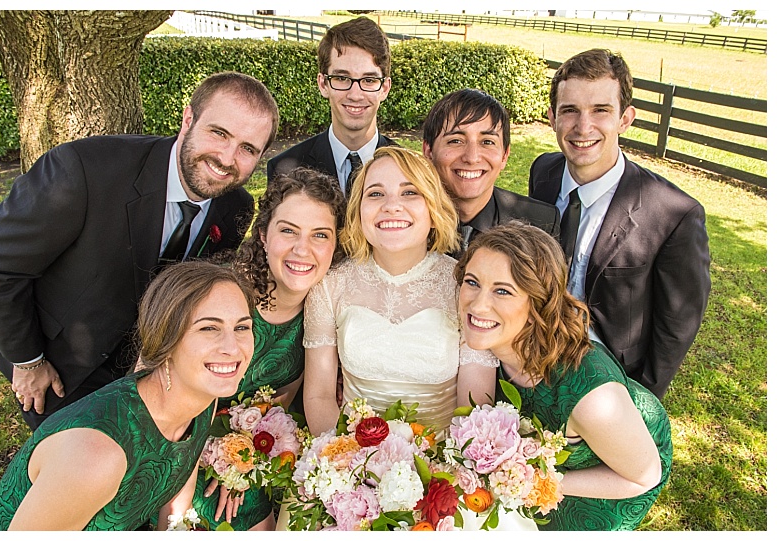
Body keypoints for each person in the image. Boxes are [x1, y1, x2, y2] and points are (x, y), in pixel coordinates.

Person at [0, 71, 280, 429]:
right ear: (188, 119)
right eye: (219, 133)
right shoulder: (83, 170)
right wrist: (28, 361)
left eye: (248, 149)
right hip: (58, 368)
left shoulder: (234, 207)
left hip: (147, 380)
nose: (226, 158)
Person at [0, 261, 257, 530]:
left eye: (242, 327)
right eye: (209, 328)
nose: (232, 348)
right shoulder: (95, 457)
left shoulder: (202, 401)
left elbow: (177, 498)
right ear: (166, 340)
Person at [455, 222, 673, 531]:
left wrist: (534, 481)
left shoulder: (593, 400)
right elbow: (472, 418)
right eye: (472, 282)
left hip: (614, 472)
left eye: (502, 290)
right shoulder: (484, 337)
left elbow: (643, 476)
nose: (478, 304)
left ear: (538, 302)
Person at [528, 48, 711, 399]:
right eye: (570, 111)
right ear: (552, 117)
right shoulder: (544, 172)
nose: (584, 127)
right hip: (532, 362)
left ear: (625, 118)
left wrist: (641, 399)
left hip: (612, 384)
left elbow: (676, 326)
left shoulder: (675, 215)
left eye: (601, 110)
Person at [193, 168, 347, 531]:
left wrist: (244, 462)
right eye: (288, 230)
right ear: (263, 235)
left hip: (252, 448)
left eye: (319, 235)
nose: (302, 249)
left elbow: (274, 405)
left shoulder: (324, 310)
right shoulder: (225, 294)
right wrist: (223, 461)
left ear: (336, 244)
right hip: (183, 437)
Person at [302, 146, 492, 435]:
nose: (391, 206)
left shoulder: (465, 286)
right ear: (358, 210)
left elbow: (474, 408)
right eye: (376, 194)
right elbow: (320, 396)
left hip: (444, 466)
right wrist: (341, 464)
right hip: (349, 460)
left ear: (432, 207)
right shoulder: (330, 285)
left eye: (409, 192)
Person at [422, 88, 560, 258]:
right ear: (428, 151)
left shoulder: (541, 222)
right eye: (456, 141)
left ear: (504, 155)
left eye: (487, 142)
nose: (471, 158)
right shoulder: (405, 221)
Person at [267, 16, 395, 196]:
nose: (355, 95)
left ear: (384, 88)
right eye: (342, 78)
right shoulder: (286, 168)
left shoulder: (410, 170)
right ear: (323, 84)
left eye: (368, 80)